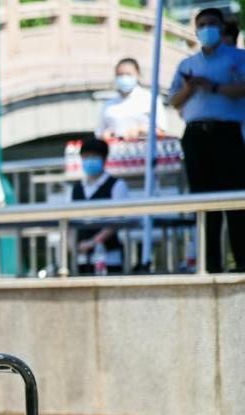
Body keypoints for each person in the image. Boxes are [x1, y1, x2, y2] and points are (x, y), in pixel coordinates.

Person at [168, 7, 245, 273]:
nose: (207, 29)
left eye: (212, 23)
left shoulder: (238, 58)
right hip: (196, 134)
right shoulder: (187, 65)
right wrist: (191, 87)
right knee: (203, 199)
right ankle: (209, 263)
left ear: (222, 27)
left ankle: (241, 260)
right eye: (202, 25)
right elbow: (173, 100)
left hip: (227, 132)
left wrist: (212, 86)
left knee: (235, 199)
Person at [67, 137, 128, 275]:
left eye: (94, 157)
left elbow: (117, 220)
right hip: (81, 258)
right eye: (86, 157)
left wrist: (94, 242)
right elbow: (69, 222)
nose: (89, 161)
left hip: (109, 256)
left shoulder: (117, 185)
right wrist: (73, 246)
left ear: (104, 159)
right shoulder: (76, 189)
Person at [97, 58, 168, 140]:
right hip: (116, 146)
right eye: (120, 75)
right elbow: (99, 133)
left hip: (143, 146)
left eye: (128, 74)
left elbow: (161, 131)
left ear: (138, 74)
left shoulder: (150, 99)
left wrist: (140, 130)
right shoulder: (109, 104)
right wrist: (105, 135)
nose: (124, 78)